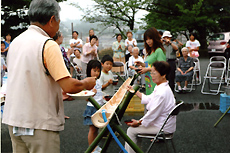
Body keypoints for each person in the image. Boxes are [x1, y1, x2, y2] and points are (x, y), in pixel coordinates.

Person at [2, 1, 96, 153]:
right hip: (39, 123)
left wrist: (60, 93)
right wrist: (86, 83)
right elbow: (69, 85)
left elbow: (29, 79)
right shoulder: (47, 44)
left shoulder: (16, 42)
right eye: (58, 20)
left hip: (14, 120)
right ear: (52, 20)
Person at [125, 61, 176, 153]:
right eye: (151, 72)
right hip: (164, 124)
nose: (151, 75)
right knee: (135, 130)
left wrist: (139, 122)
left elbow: (152, 113)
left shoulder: (162, 92)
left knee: (131, 130)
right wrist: (135, 91)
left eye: (154, 73)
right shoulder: (161, 87)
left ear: (163, 75)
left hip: (162, 127)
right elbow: (149, 99)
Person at [135, 27, 166, 95]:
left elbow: (162, 67)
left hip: (156, 83)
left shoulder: (158, 51)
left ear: (155, 38)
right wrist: (142, 64)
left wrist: (147, 69)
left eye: (150, 39)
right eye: (146, 39)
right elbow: (151, 64)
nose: (148, 41)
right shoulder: (151, 51)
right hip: (149, 81)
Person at [83, 60, 104, 153]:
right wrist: (92, 94)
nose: (96, 73)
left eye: (98, 71)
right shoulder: (88, 81)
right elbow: (86, 98)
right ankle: (91, 149)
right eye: (94, 70)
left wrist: (103, 97)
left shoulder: (98, 81)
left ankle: (95, 146)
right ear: (89, 70)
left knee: (96, 129)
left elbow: (99, 93)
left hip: (99, 106)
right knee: (92, 130)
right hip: (92, 107)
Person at [53, 31, 74, 120]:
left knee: (56, 95)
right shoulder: (59, 48)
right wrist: (69, 54)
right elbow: (65, 61)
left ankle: (59, 114)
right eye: (62, 36)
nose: (63, 38)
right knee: (59, 95)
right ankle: (58, 115)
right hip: (60, 74)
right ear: (58, 38)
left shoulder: (52, 47)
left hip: (54, 73)